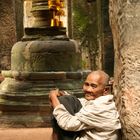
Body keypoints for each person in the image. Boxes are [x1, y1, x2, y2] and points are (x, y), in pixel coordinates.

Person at [49, 70, 121, 140]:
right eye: (86, 84)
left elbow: (66, 123)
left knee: (60, 103)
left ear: (105, 90)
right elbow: (82, 102)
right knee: (65, 100)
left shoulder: (100, 107)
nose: (88, 89)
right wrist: (64, 95)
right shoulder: (101, 100)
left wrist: (53, 97)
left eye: (93, 86)